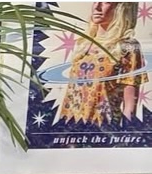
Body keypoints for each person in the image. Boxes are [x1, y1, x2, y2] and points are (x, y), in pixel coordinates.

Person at [55, 1, 148, 130]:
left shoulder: (128, 46)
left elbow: (130, 103)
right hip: (70, 128)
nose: (97, 7)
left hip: (102, 129)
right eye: (95, 1)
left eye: (106, 2)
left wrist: (125, 134)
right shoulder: (83, 43)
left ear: (121, 8)